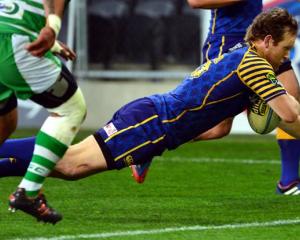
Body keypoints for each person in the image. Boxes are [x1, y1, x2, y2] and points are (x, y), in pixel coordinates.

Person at [1, 8, 300, 206]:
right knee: (69, 164)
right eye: (286, 49)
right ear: (268, 41)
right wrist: (274, 104)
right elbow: (289, 114)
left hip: (153, 122)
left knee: (71, 166)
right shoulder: (256, 66)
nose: (286, 56)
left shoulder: (245, 56)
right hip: (150, 124)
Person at [131, 0, 300, 196]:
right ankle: (147, 144)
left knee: (291, 99)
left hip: (265, 41)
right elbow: (196, 2)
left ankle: (288, 181)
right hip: (229, 43)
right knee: (218, 128)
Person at [0, 0, 87, 224]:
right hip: (14, 42)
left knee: (6, 121)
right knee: (71, 110)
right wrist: (52, 29)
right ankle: (28, 192)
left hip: (10, 30)